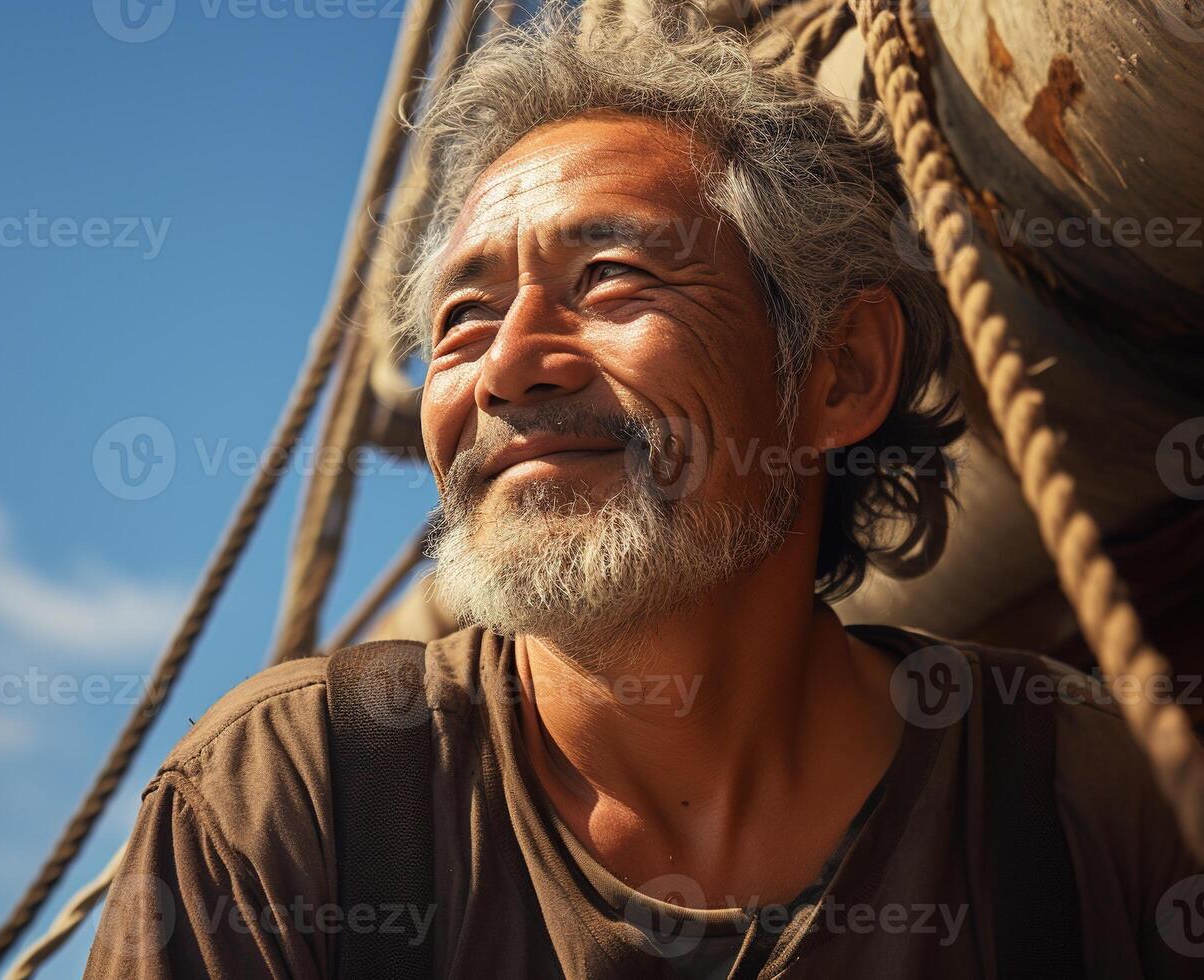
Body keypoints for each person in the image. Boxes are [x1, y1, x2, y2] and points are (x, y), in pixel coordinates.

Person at [84, 10, 1202, 978]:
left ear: (842, 370)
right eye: (462, 319)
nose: (511, 363)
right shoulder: (288, 806)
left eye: (609, 278)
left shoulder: (1091, 801)